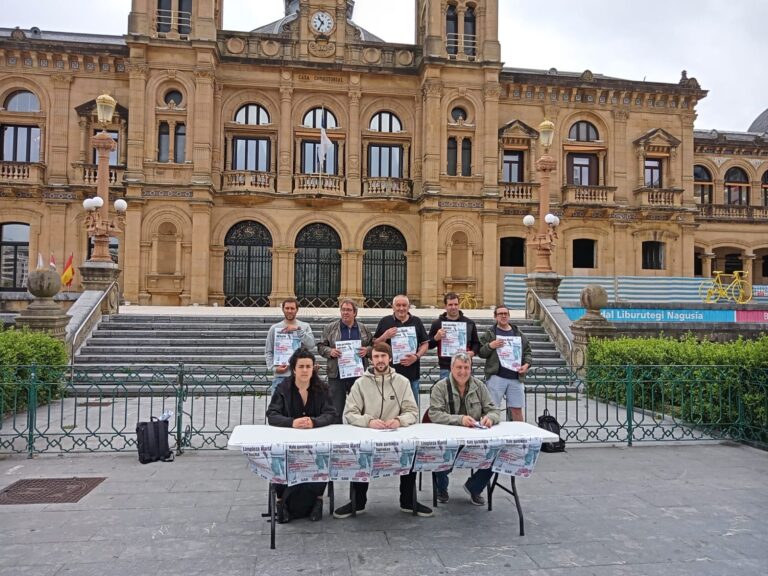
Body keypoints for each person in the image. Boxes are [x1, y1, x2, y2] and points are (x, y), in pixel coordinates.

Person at [333, 342, 432, 519]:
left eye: (383, 356)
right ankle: (358, 502)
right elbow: (350, 413)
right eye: (376, 356)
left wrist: (398, 421)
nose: (380, 360)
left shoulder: (402, 382)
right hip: (368, 434)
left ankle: (408, 501)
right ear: (371, 359)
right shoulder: (360, 383)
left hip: (396, 433)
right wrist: (369, 421)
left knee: (411, 451)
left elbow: (412, 411)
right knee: (360, 455)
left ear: (390, 358)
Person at [266, 348, 336, 523]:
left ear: (313, 368)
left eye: (308, 366)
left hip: (315, 441)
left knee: (323, 457)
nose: (305, 370)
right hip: (288, 441)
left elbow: (330, 413)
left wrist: (314, 422)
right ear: (294, 369)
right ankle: (281, 502)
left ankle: (317, 501)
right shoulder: (283, 388)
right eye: (301, 366)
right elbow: (272, 414)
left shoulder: (322, 388)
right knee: (279, 459)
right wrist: (292, 422)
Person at [428, 352, 500, 504]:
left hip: (475, 440)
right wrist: (459, 419)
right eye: (459, 367)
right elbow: (434, 414)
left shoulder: (479, 386)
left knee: (496, 453)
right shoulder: (440, 387)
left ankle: (474, 487)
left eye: (466, 367)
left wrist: (490, 418)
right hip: (448, 441)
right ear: (451, 368)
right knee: (438, 455)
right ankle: (441, 488)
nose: (463, 371)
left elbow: (494, 410)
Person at [317, 299, 373, 423]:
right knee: (335, 410)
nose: (345, 312)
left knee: (360, 408)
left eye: (348, 310)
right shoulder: (330, 328)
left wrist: (367, 350)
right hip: (337, 375)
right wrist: (330, 351)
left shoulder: (363, 328)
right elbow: (320, 346)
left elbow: (373, 346)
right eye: (343, 310)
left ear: (355, 313)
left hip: (358, 375)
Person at [478, 306, 532, 422]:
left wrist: (526, 365)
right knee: (492, 410)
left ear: (509, 316)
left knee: (517, 410)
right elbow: (481, 352)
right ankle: (491, 431)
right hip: (496, 376)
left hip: (516, 377)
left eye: (505, 314)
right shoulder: (490, 333)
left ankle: (519, 432)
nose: (503, 316)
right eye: (500, 314)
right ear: (495, 317)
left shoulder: (518, 333)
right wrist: (490, 346)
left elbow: (527, 351)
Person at [373, 295, 429, 406]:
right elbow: (375, 344)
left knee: (412, 407)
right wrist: (385, 336)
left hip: (412, 374)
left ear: (408, 307)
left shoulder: (416, 321)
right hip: (390, 375)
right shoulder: (385, 321)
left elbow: (425, 344)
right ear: (393, 307)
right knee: (390, 407)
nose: (401, 308)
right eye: (398, 305)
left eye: (404, 305)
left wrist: (416, 357)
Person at [264, 297, 316, 394]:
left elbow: (311, 345)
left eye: (292, 308)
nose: (289, 311)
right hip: (281, 377)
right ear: (283, 309)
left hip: (300, 377)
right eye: (287, 308)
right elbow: (268, 351)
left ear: (297, 310)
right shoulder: (274, 328)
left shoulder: (304, 326)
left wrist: (298, 329)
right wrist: (274, 368)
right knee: (278, 404)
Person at [427, 292, 481, 381]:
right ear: (445, 306)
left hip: (465, 365)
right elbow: (429, 345)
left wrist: (472, 352)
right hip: (446, 367)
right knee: (446, 390)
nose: (453, 307)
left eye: (456, 304)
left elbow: (476, 343)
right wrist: (436, 338)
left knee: (466, 390)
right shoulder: (437, 324)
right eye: (450, 305)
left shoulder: (469, 323)